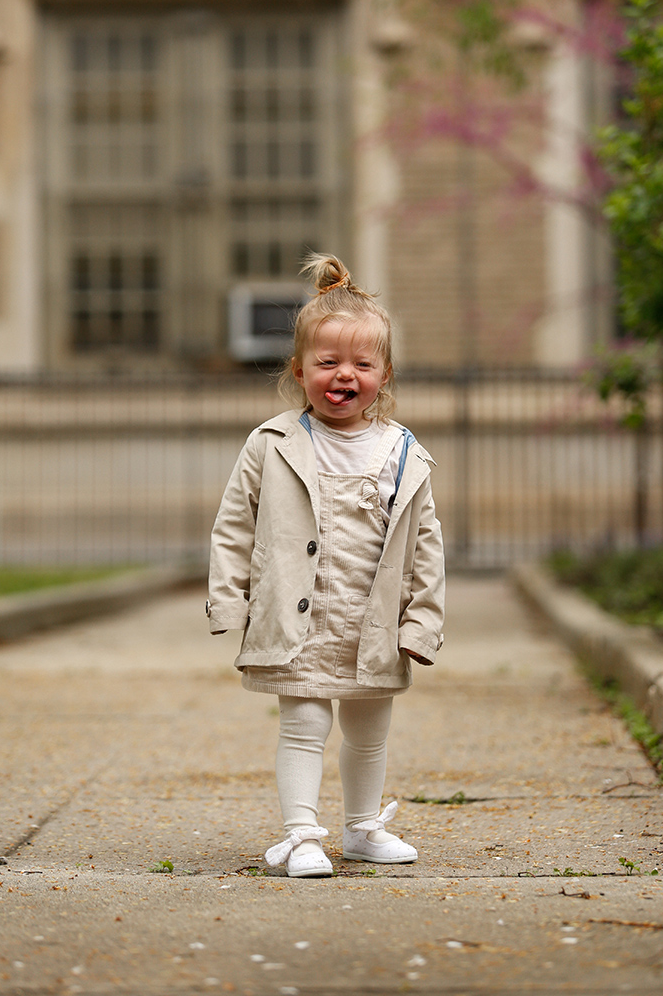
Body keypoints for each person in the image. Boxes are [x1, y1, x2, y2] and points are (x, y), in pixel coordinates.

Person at [206, 254, 445, 878]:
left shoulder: (402, 452)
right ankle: (302, 834)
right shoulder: (273, 443)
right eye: (328, 362)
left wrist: (421, 624)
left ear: (384, 373)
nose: (345, 375)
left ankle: (363, 828)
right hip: (299, 620)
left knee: (368, 731)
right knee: (304, 725)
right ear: (300, 370)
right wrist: (230, 601)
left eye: (362, 364)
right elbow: (234, 525)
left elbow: (426, 544)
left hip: (373, 625)